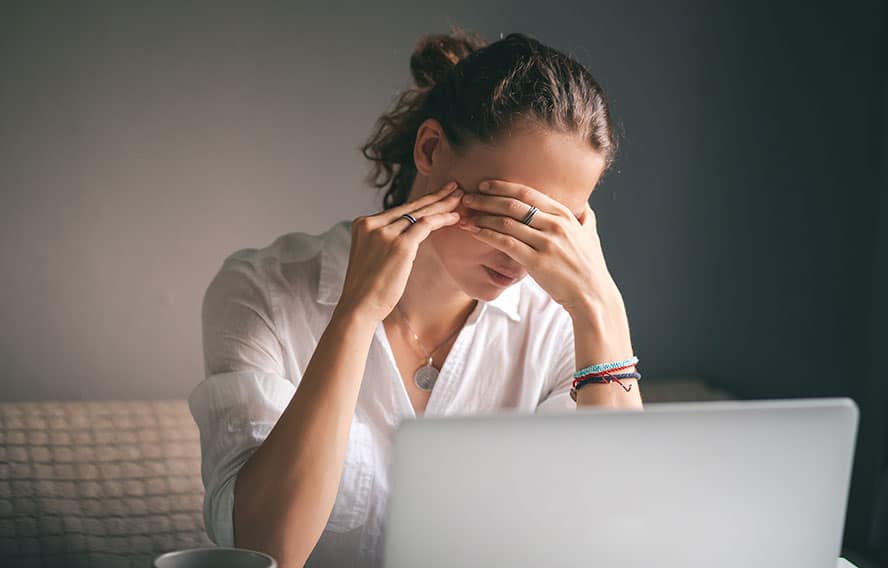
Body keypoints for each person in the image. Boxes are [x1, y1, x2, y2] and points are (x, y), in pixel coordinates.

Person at [189, 28, 644, 568]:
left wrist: (602, 305)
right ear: (430, 148)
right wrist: (356, 316)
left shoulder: (564, 324)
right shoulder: (265, 290)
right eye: (508, 212)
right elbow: (266, 550)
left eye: (553, 228)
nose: (524, 258)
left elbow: (621, 544)